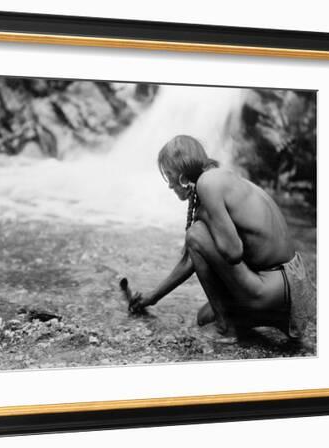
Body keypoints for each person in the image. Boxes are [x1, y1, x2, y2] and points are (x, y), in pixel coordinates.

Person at [129, 135, 315, 340]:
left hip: (275, 285)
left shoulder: (207, 184)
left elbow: (232, 251)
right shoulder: (219, 178)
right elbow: (190, 259)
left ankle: (226, 328)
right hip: (290, 286)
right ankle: (275, 318)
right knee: (204, 317)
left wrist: (205, 223)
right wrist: (152, 298)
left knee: (196, 233)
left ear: (182, 177)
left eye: (169, 175)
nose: (169, 185)